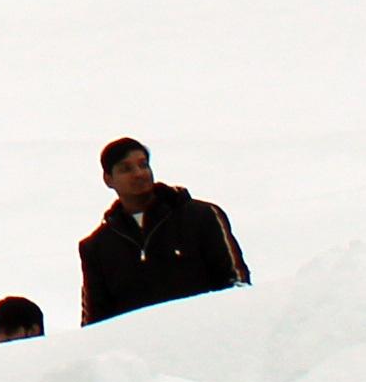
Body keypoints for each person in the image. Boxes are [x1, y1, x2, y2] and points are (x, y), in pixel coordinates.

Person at [78, 138, 249, 325]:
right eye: (126, 169)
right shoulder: (96, 247)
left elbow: (236, 285)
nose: (139, 174)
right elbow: (95, 324)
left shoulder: (201, 216)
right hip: (139, 350)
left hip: (206, 338)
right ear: (108, 179)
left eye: (143, 165)